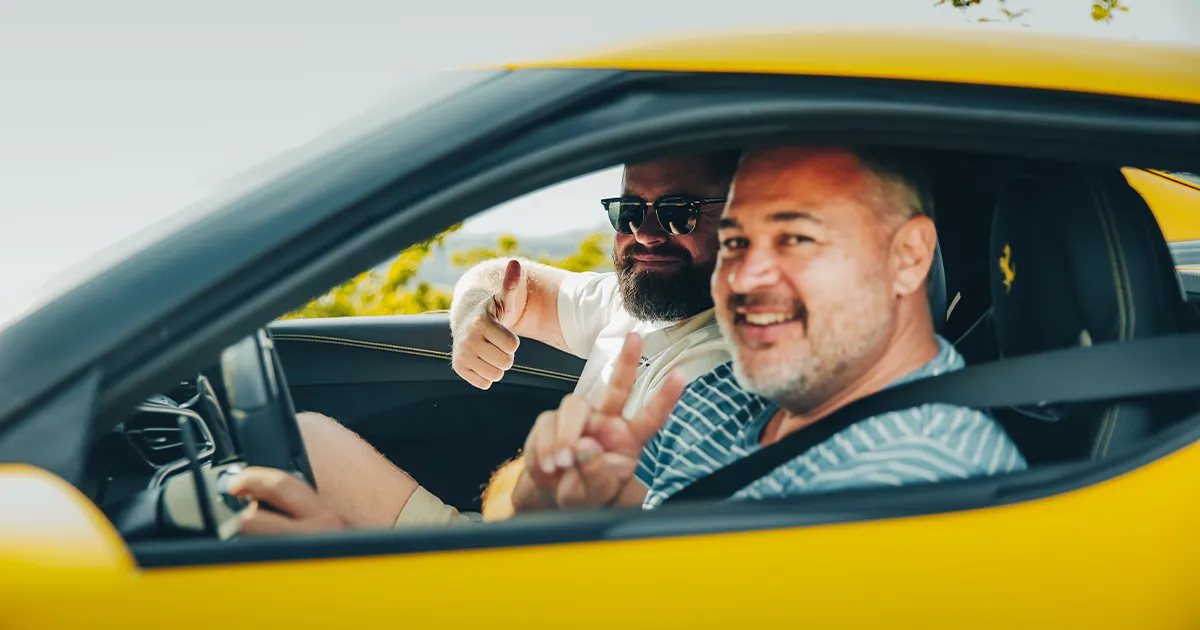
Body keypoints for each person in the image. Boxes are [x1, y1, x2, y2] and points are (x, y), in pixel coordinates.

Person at [230, 152, 739, 534]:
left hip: (525, 585)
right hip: (512, 538)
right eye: (630, 211)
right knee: (306, 437)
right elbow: (506, 277)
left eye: (679, 212)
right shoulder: (634, 302)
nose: (645, 234)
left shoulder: (725, 379)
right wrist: (475, 313)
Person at [506, 145, 1027, 513]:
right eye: (735, 242)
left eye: (797, 238)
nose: (742, 279)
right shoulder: (716, 400)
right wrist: (554, 511)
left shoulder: (918, 484)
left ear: (907, 257)